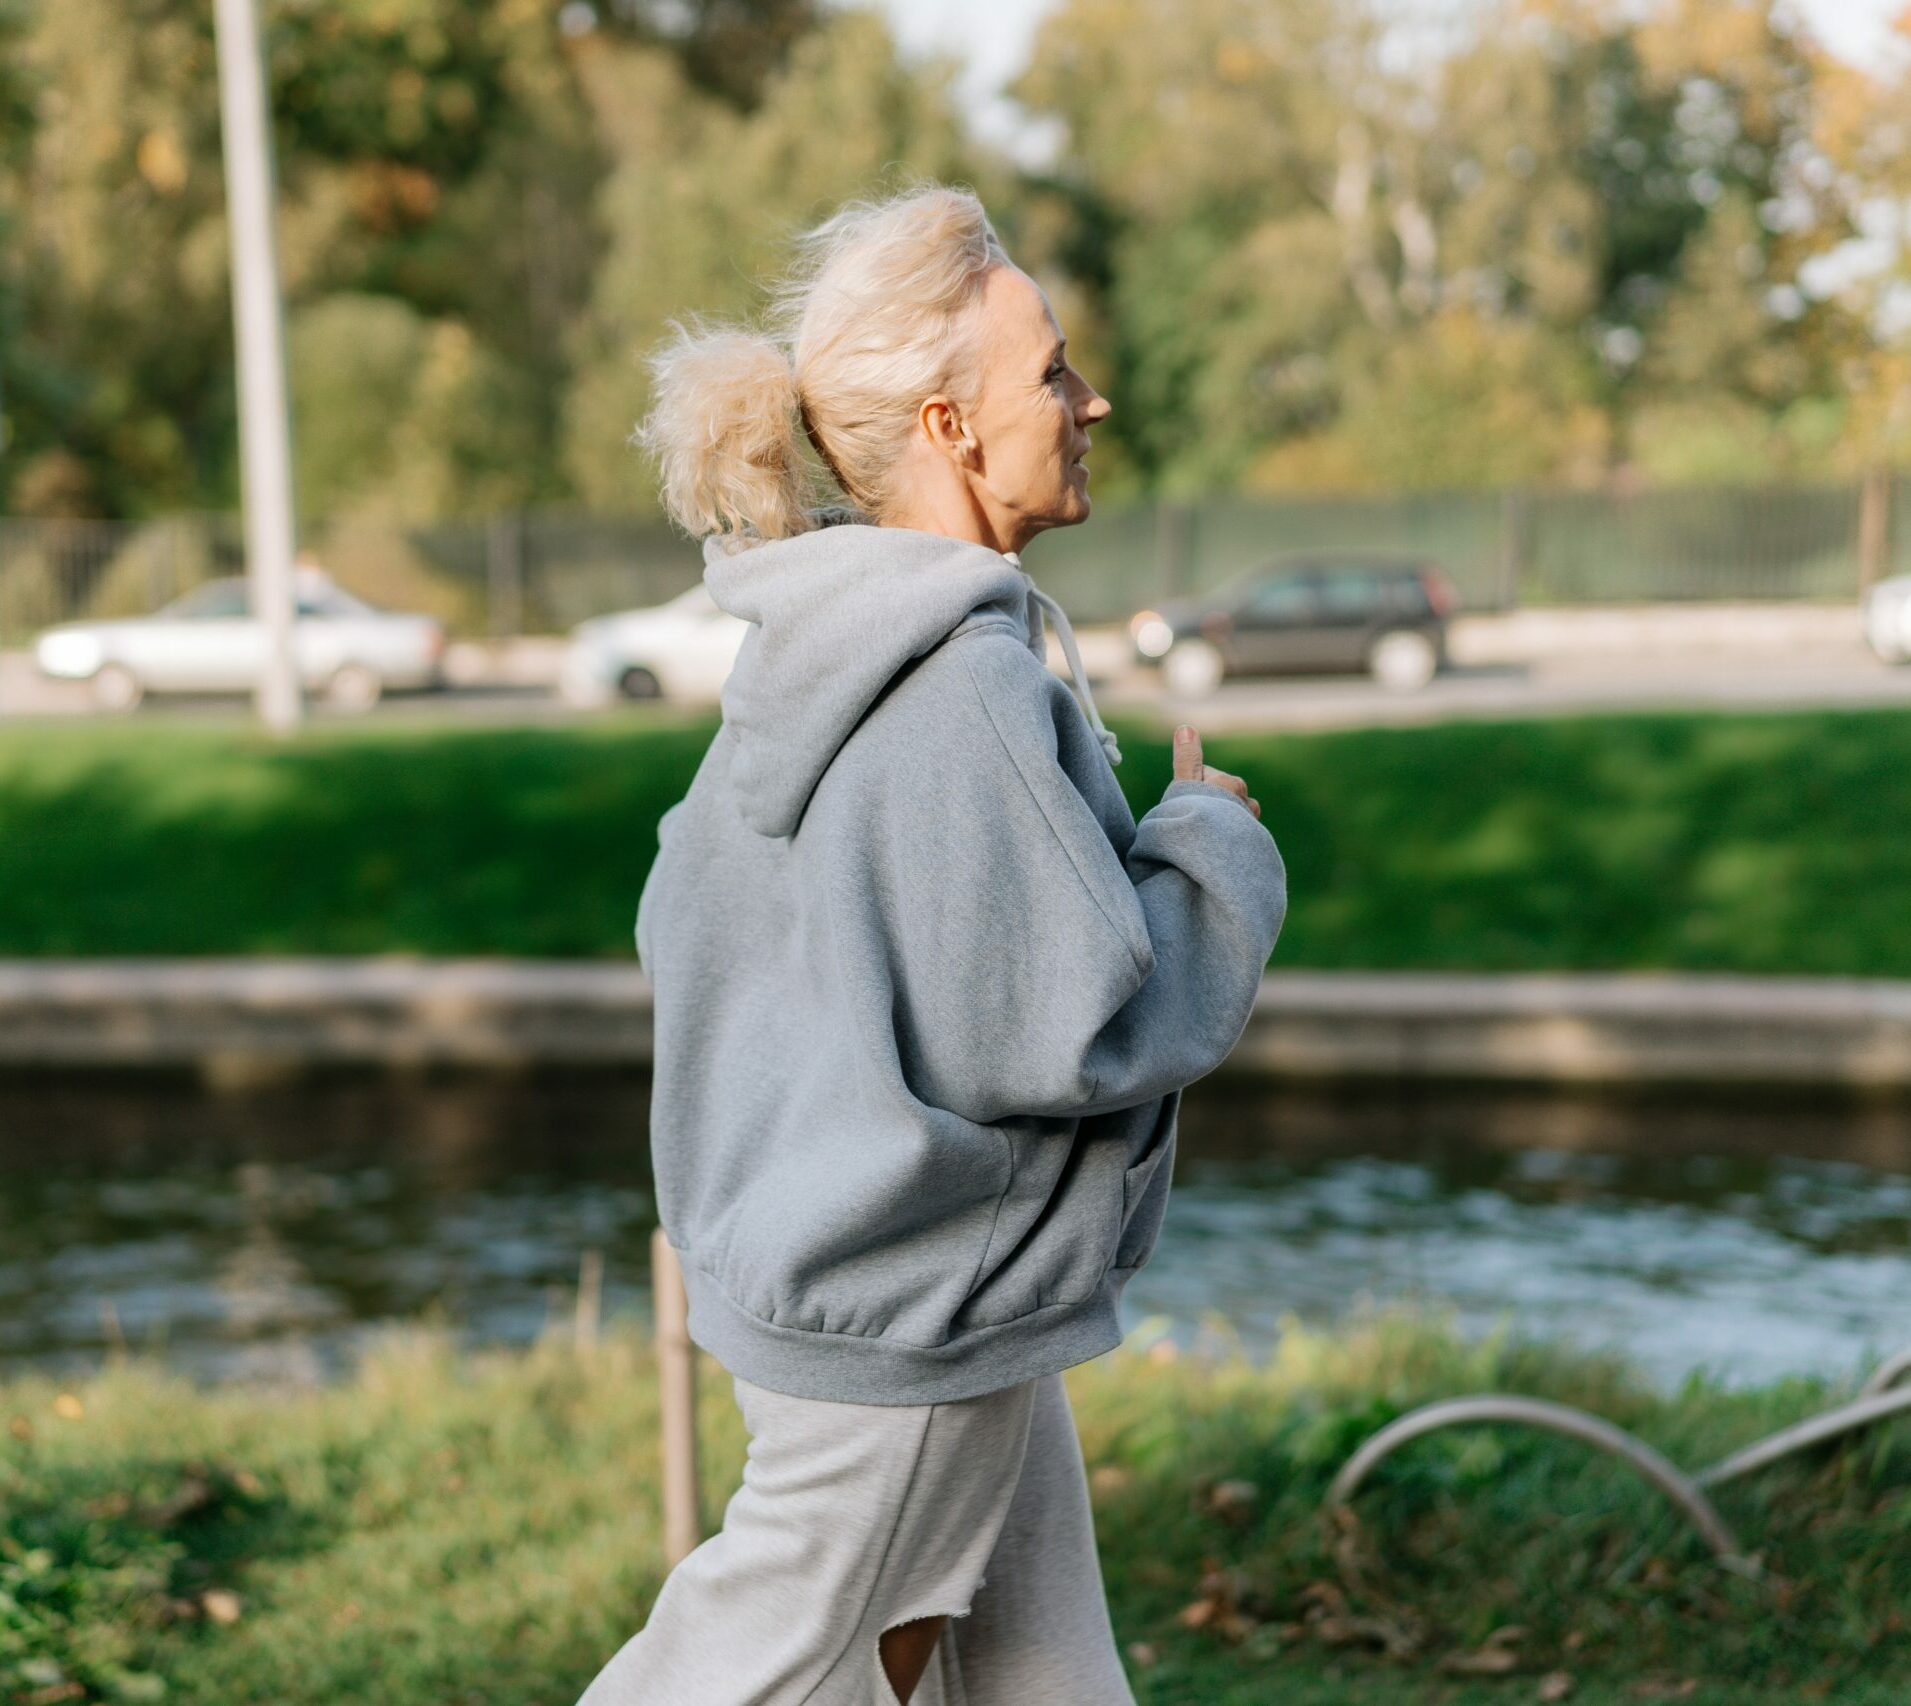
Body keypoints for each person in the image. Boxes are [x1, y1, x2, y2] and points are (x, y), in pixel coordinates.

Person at [574, 182, 1287, 1706]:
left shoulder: (818, 645)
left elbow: (682, 910)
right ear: (955, 429)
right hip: (908, 1306)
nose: (1093, 398)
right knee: (769, 1668)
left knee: (1036, 1665)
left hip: (883, 1275)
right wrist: (1211, 845)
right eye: (1051, 371)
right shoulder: (962, 686)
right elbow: (1062, 1029)